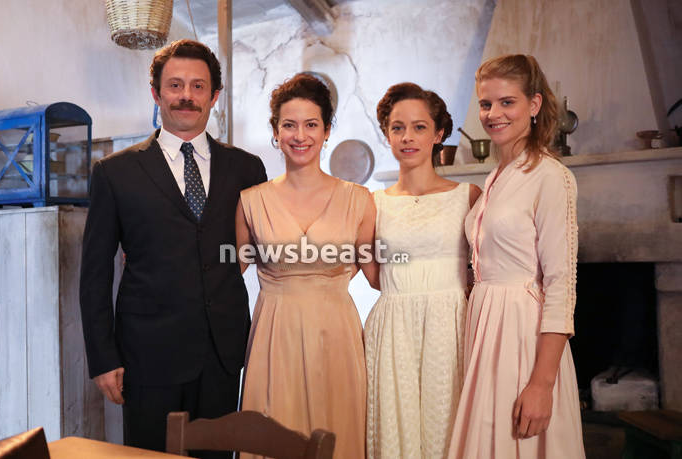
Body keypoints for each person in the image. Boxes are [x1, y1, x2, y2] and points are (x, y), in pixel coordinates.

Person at [79, 39, 267, 456]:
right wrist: (103, 357)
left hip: (222, 353)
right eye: (175, 85)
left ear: (214, 96)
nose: (186, 96)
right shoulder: (114, 172)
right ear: (156, 93)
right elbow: (94, 271)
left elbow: (256, 249)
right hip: (147, 354)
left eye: (198, 86)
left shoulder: (247, 169)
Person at [447, 54, 585, 458]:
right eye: (486, 104)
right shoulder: (494, 177)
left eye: (507, 102)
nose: (493, 114)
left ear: (534, 104)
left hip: (524, 335)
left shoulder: (552, 177)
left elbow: (561, 285)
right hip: (485, 330)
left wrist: (541, 384)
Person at [235, 73, 378, 459]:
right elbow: (222, 277)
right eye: (289, 125)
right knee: (272, 436)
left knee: (337, 436)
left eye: (311, 124)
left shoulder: (360, 200)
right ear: (276, 131)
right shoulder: (251, 201)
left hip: (337, 338)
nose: (300, 135)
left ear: (327, 130)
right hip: (274, 336)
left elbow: (380, 278)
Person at [364, 83, 481, 459]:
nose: (407, 137)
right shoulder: (372, 203)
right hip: (392, 326)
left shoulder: (468, 196)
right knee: (394, 430)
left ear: (439, 133)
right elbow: (374, 274)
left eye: (419, 127)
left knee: (447, 426)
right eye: (397, 128)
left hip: (450, 325)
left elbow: (483, 268)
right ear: (387, 134)